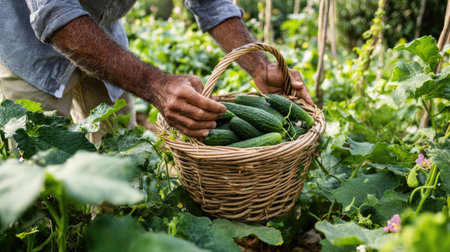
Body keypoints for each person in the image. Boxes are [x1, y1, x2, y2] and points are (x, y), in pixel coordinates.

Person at [0, 0, 313, 143]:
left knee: (117, 173)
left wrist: (259, 65)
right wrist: (156, 85)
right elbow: (57, 15)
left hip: (104, 38)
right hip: (25, 47)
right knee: (40, 185)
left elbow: (210, 3)